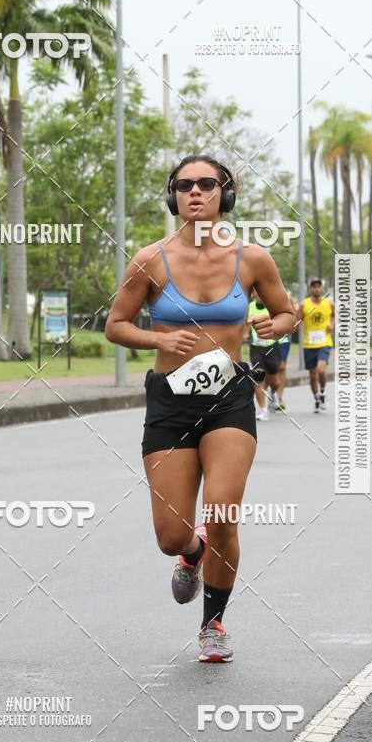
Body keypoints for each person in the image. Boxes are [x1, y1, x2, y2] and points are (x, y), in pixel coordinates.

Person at [105, 154, 295, 663]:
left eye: (206, 184)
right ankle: (192, 552)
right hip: (170, 401)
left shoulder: (252, 258)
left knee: (224, 513)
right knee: (170, 537)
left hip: (229, 398)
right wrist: (157, 337)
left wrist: (280, 325)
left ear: (225, 194)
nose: (195, 192)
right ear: (173, 197)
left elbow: (285, 310)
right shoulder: (150, 260)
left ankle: (213, 623)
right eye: (184, 185)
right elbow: (116, 324)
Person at [297, 279, 334, 413]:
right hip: (309, 343)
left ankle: (323, 392)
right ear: (310, 289)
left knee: (321, 370)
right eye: (314, 287)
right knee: (312, 375)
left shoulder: (328, 303)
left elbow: (334, 316)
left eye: (319, 287)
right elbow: (298, 319)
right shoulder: (304, 304)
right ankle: (317, 399)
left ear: (322, 289)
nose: (317, 289)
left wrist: (332, 325)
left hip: (324, 342)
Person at [243, 290, 281, 422]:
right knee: (258, 377)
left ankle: (272, 393)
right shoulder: (250, 307)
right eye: (257, 294)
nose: (259, 296)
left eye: (262, 293)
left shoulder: (272, 307)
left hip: (272, 347)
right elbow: (246, 324)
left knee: (275, 381)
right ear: (254, 295)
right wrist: (245, 334)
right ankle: (263, 410)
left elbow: (280, 324)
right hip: (256, 348)